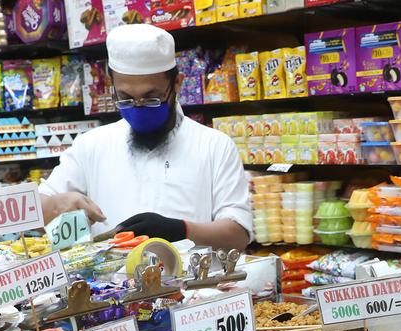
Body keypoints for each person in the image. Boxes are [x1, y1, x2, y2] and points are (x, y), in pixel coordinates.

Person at [39, 24, 253, 250]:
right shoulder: (91, 145)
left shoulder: (214, 146)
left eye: (151, 98)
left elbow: (238, 233)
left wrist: (182, 230)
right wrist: (57, 205)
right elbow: (37, 211)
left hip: (192, 283)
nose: (138, 108)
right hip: (110, 284)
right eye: (126, 99)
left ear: (177, 84)